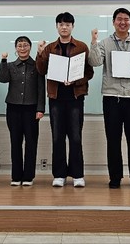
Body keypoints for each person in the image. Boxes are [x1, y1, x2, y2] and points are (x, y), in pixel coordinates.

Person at [89, 8, 130, 189]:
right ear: (113, 22)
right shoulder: (104, 43)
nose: (122, 22)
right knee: (113, 139)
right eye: (119, 19)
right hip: (112, 97)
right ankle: (115, 177)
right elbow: (94, 62)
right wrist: (93, 42)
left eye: (126, 19)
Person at [36, 12, 94, 188]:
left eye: (67, 24)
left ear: (72, 27)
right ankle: (59, 174)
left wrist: (75, 81)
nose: (64, 27)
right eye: (61, 24)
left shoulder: (81, 47)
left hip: (75, 97)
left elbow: (89, 72)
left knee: (75, 137)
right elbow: (41, 70)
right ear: (57, 27)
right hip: (56, 97)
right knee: (57, 137)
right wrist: (39, 53)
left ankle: (77, 174)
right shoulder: (49, 48)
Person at [0, 36, 45, 187]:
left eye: (25, 45)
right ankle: (16, 176)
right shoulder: (11, 65)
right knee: (15, 142)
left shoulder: (37, 66)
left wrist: (40, 108)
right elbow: (3, 79)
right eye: (19, 45)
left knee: (31, 143)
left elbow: (41, 88)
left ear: (30, 47)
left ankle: (28, 176)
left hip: (31, 109)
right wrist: (3, 60)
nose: (22, 48)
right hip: (13, 108)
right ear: (16, 48)